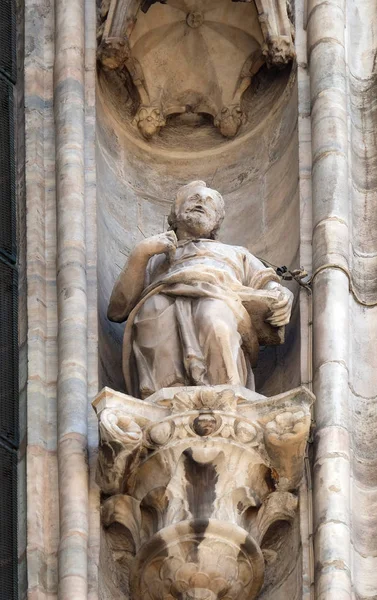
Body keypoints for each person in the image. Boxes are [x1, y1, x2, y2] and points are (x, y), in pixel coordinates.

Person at [108, 181, 293, 399]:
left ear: (216, 222)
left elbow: (265, 282)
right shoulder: (156, 257)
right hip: (164, 300)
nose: (201, 204)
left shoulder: (235, 253)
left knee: (212, 313)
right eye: (194, 199)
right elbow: (118, 310)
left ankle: (226, 391)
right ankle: (165, 394)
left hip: (219, 299)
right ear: (175, 213)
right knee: (153, 308)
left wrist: (281, 294)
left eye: (209, 203)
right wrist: (140, 254)